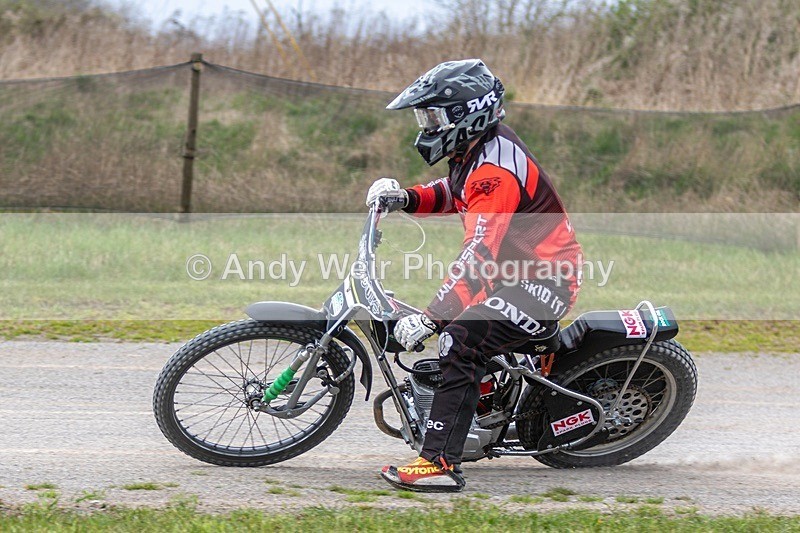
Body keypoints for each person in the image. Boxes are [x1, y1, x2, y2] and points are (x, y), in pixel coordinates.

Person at [365, 59, 583, 492]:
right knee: (456, 326)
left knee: (458, 338)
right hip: (513, 275)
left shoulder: (494, 171)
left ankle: (441, 464)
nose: (426, 126)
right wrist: (406, 198)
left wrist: (434, 317)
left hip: (541, 283)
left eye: (433, 116)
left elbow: (479, 254)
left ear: (468, 113)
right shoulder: (478, 150)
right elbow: (456, 193)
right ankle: (477, 407)